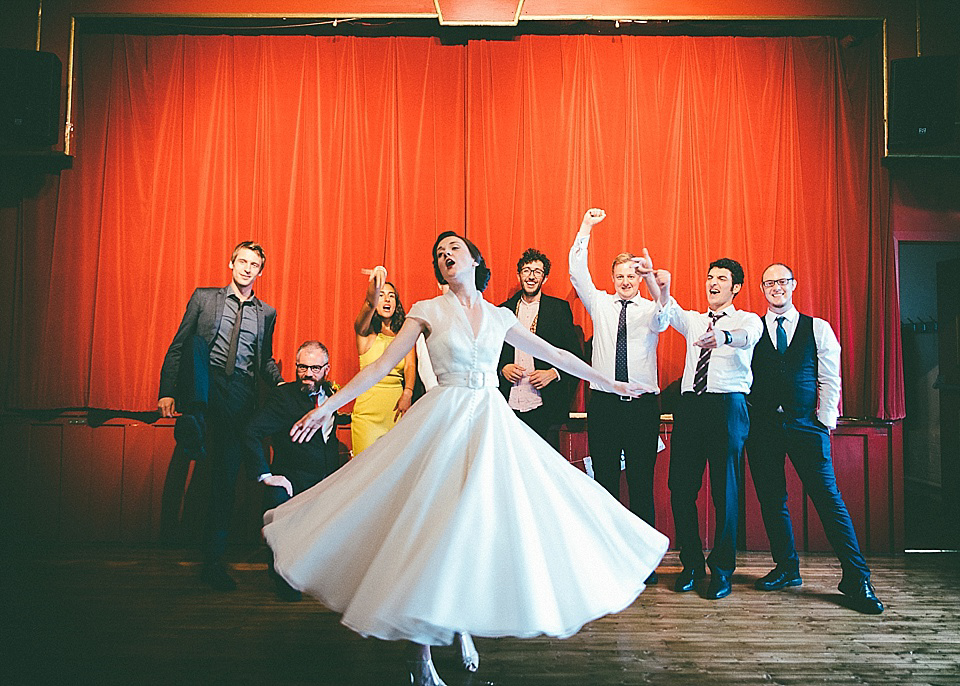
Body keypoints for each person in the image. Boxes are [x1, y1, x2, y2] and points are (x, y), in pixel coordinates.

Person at [263, 231, 669, 686]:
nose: (444, 256)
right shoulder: (425, 310)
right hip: (445, 420)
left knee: (475, 530)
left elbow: (556, 354)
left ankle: (460, 626)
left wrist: (611, 383)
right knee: (434, 529)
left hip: (491, 422)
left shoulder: (499, 316)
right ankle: (421, 654)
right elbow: (379, 366)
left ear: (475, 259)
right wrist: (326, 408)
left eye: (453, 248)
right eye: (439, 253)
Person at [747, 263, 884, 614]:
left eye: (782, 281)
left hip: (807, 426)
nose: (776, 288)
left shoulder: (817, 327)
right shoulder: (751, 327)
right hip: (762, 427)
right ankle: (787, 567)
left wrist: (823, 421)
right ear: (762, 289)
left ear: (793, 285)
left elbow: (829, 377)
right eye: (769, 283)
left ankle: (857, 578)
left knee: (828, 499)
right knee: (772, 499)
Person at [158, 240, 284, 591]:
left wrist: (283, 382)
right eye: (241, 261)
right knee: (196, 344)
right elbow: (179, 345)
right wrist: (167, 390)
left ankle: (212, 563)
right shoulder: (204, 298)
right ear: (231, 264)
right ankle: (195, 416)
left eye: (254, 264)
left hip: (240, 393)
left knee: (224, 480)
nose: (246, 268)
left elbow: (265, 361)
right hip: (204, 382)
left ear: (261, 271)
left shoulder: (267, 313)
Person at [568, 209, 667, 583]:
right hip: (606, 405)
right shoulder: (600, 304)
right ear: (612, 279)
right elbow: (577, 271)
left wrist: (654, 282)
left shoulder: (651, 309)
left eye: (632, 276)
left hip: (642, 408)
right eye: (620, 276)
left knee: (641, 483)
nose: (626, 282)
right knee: (606, 481)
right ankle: (607, 557)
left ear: (639, 279)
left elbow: (665, 312)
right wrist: (587, 228)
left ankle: (643, 562)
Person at [655, 256, 762, 600]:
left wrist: (725, 336)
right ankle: (690, 564)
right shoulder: (695, 320)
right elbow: (667, 309)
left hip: (727, 406)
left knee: (725, 493)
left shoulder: (747, 319)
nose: (713, 282)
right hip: (691, 407)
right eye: (710, 277)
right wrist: (658, 282)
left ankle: (722, 570)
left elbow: (747, 337)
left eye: (722, 278)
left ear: (736, 287)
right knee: (680, 489)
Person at [242, 340, 345, 601]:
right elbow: (251, 431)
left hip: (324, 482)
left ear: (326, 369)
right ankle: (283, 579)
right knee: (283, 518)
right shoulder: (283, 397)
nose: (308, 374)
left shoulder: (332, 395)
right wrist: (266, 476)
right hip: (293, 480)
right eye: (302, 367)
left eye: (314, 368)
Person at [497, 248, 581, 449]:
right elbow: (487, 353)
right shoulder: (502, 310)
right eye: (526, 270)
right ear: (519, 275)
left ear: (544, 278)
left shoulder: (558, 310)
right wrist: (502, 368)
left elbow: (575, 355)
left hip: (545, 407)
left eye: (537, 271)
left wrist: (553, 373)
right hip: (507, 405)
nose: (531, 276)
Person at [350, 269, 416, 455]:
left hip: (396, 409)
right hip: (368, 414)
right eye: (382, 295)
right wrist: (376, 283)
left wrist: (408, 392)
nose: (387, 300)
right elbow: (369, 303)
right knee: (364, 471)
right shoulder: (365, 333)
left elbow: (410, 365)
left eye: (391, 296)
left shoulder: (404, 333)